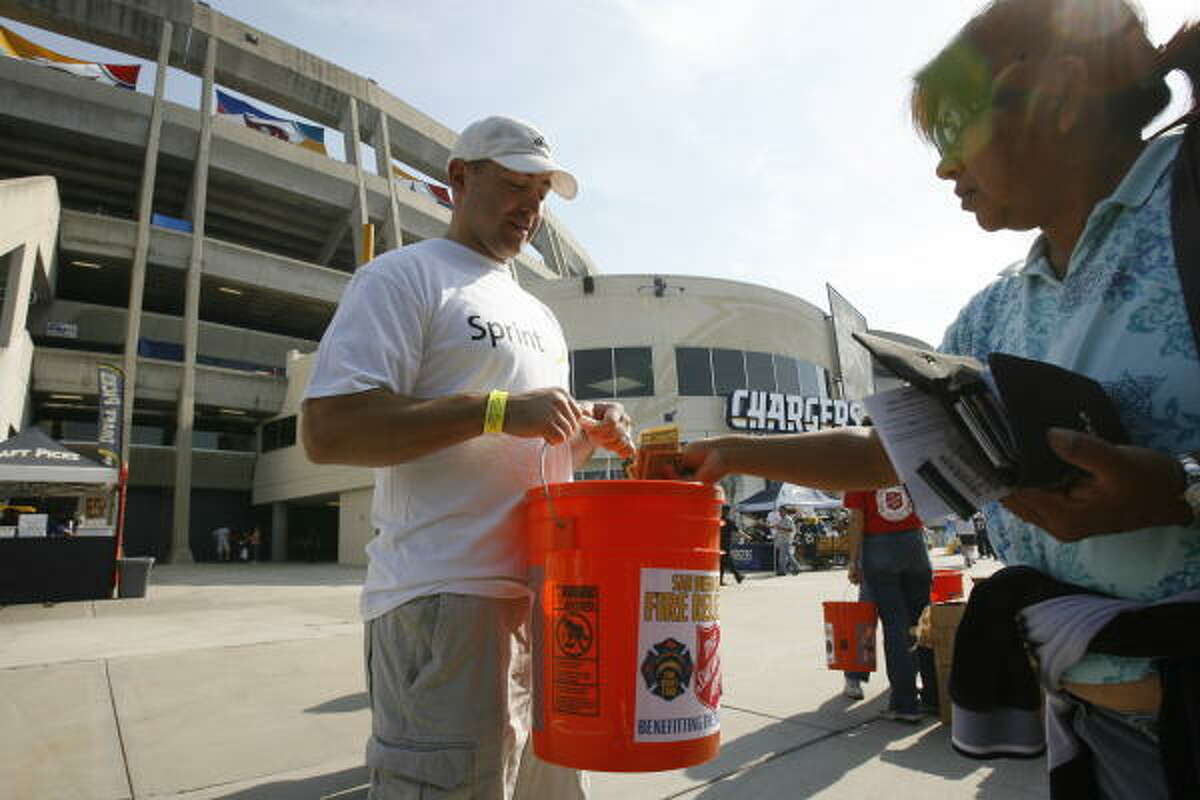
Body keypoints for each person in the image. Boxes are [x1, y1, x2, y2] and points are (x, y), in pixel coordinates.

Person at [673, 2, 1200, 793]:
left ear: (1056, 96)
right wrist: (728, 451)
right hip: (1095, 730)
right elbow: (891, 449)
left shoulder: (1185, 207)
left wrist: (1182, 490)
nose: (944, 166)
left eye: (956, 127)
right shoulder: (994, 313)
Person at [301, 115, 633, 800]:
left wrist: (587, 427)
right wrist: (499, 409)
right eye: (514, 185)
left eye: (541, 194)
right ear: (458, 177)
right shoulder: (401, 278)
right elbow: (329, 431)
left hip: (549, 606)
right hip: (445, 601)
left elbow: (527, 441)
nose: (530, 209)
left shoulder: (537, 313)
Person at [843, 485, 937, 721]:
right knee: (922, 622)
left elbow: (857, 519)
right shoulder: (904, 461)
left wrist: (853, 561)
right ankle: (933, 696)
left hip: (879, 547)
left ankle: (905, 704)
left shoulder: (861, 470)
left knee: (895, 626)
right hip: (914, 544)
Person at [767, 505, 800, 575]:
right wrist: (772, 526)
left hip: (786, 540)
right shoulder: (782, 519)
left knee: (783, 557)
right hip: (782, 540)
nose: (779, 513)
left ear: (785, 511)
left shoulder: (788, 519)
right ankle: (795, 568)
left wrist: (779, 527)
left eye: (781, 511)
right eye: (779, 511)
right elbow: (778, 527)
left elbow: (790, 529)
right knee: (787, 555)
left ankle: (784, 570)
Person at [719, 504, 745, 585]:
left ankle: (721, 580)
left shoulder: (718, 520)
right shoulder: (729, 521)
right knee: (728, 562)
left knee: (723, 563)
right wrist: (746, 536)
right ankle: (738, 576)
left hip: (719, 544)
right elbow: (738, 531)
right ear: (728, 512)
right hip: (725, 544)